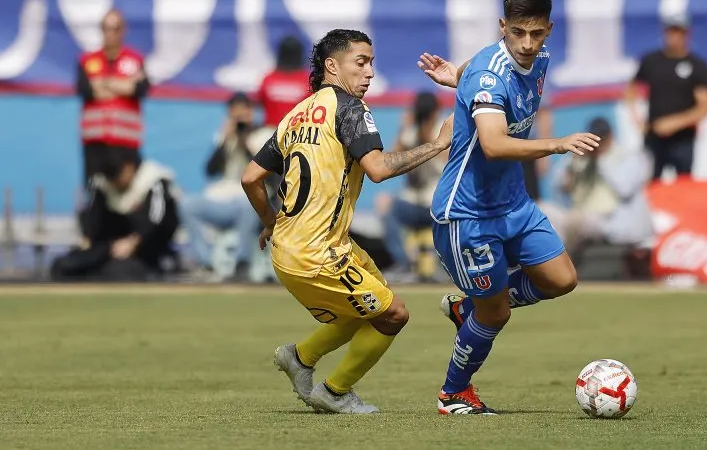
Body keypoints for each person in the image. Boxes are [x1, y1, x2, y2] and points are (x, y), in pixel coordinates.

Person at [240, 28, 453, 415]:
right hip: (316, 252)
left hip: (304, 246)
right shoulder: (350, 108)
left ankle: (300, 358)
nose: (370, 72)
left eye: (372, 62)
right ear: (331, 66)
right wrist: (438, 145)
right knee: (393, 315)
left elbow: (250, 177)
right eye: (361, 62)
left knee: (369, 307)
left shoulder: (295, 114)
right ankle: (335, 391)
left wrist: (270, 221)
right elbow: (378, 169)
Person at [417, 0, 601, 415]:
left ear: (549, 30)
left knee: (560, 279)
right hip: (468, 214)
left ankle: (471, 308)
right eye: (517, 32)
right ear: (503, 27)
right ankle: (453, 393)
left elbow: (483, 74)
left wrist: (455, 77)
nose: (527, 43)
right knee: (497, 315)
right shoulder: (487, 72)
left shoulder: (538, 60)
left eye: (536, 33)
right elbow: (495, 144)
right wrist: (557, 144)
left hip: (513, 204)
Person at [51, 150, 181, 282]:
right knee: (65, 265)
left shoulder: (153, 180)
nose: (115, 184)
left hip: (146, 251)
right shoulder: (102, 183)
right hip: (111, 248)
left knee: (120, 271)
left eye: (118, 177)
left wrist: (134, 242)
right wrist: (88, 239)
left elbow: (158, 222)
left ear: (129, 167)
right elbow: (93, 218)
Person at [548, 117, 655, 266]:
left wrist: (600, 158)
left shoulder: (628, 156)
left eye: (602, 138)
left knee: (575, 221)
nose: (599, 143)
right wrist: (574, 161)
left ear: (611, 135)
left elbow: (624, 189)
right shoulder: (581, 158)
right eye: (594, 139)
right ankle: (549, 267)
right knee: (544, 211)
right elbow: (560, 189)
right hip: (583, 213)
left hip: (611, 219)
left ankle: (559, 267)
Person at [180, 92, 264, 281]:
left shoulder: (262, 134)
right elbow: (210, 170)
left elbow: (263, 170)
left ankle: (242, 263)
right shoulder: (225, 137)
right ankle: (206, 263)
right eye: (234, 113)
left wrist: (245, 138)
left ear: (251, 111)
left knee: (248, 203)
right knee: (188, 204)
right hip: (223, 198)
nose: (239, 117)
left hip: (249, 199)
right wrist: (225, 139)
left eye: (243, 112)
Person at [624, 13, 707, 181]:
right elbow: (630, 90)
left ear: (686, 34)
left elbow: (704, 108)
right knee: (650, 183)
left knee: (684, 186)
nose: (673, 36)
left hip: (683, 139)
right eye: (670, 31)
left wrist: (675, 123)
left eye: (678, 32)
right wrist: (637, 119)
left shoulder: (697, 66)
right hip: (654, 138)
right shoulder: (651, 61)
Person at [76, 9, 150, 185]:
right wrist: (123, 85)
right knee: (95, 194)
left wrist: (102, 83)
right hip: (95, 142)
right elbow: (85, 90)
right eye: (106, 28)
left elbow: (141, 90)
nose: (111, 34)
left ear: (123, 30)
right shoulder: (88, 60)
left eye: (115, 28)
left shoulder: (134, 60)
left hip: (125, 143)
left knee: (128, 196)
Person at [380, 91, 447, 283]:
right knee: (390, 210)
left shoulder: (443, 130)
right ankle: (404, 265)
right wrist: (404, 129)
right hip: (412, 200)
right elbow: (390, 159)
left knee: (452, 215)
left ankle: (445, 268)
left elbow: (448, 162)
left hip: (436, 202)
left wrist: (429, 138)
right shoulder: (410, 130)